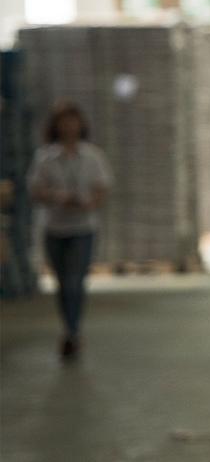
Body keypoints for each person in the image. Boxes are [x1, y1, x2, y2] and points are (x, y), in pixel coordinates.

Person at [26, 101, 111, 359]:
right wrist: (56, 197)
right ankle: (69, 327)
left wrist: (88, 204)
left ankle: (72, 332)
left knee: (75, 281)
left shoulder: (93, 156)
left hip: (83, 228)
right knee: (63, 283)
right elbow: (35, 190)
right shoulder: (45, 157)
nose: (69, 126)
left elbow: (102, 189)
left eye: (73, 121)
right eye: (64, 121)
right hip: (55, 228)